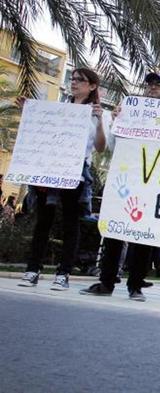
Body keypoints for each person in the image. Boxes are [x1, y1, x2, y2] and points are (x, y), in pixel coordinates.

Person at [80, 72, 160, 301]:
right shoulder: (129, 111)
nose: (152, 87)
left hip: (152, 182)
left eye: (158, 85)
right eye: (149, 84)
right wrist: (116, 121)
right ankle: (106, 282)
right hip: (124, 180)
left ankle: (136, 285)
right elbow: (111, 145)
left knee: (144, 236)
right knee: (114, 232)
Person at [17, 68, 105, 290]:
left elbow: (101, 147)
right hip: (51, 171)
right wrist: (30, 112)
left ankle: (63, 274)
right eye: (73, 79)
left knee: (70, 224)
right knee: (43, 222)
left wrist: (101, 120)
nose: (74, 83)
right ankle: (32, 270)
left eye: (80, 80)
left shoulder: (95, 113)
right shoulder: (59, 108)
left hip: (76, 173)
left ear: (92, 86)